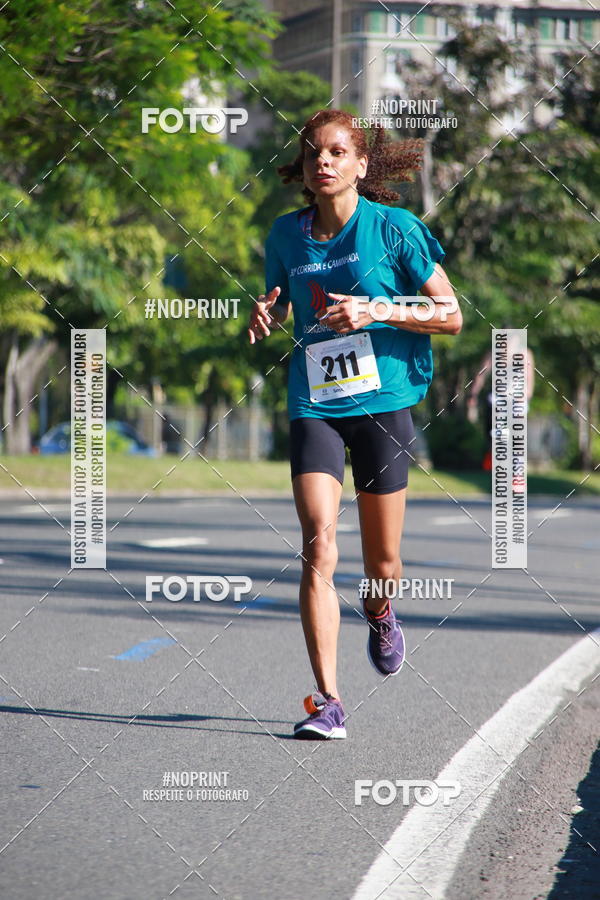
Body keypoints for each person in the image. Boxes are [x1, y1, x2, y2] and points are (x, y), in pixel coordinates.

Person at [248, 109, 462, 740]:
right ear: (304, 167)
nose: (324, 161)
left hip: (383, 401)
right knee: (318, 541)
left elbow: (449, 315)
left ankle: (380, 611)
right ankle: (329, 699)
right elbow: (277, 294)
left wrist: (377, 309)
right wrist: (266, 310)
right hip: (314, 402)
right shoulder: (285, 236)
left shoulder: (395, 230)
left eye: (338, 152)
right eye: (314, 152)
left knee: (382, 564)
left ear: (360, 165)